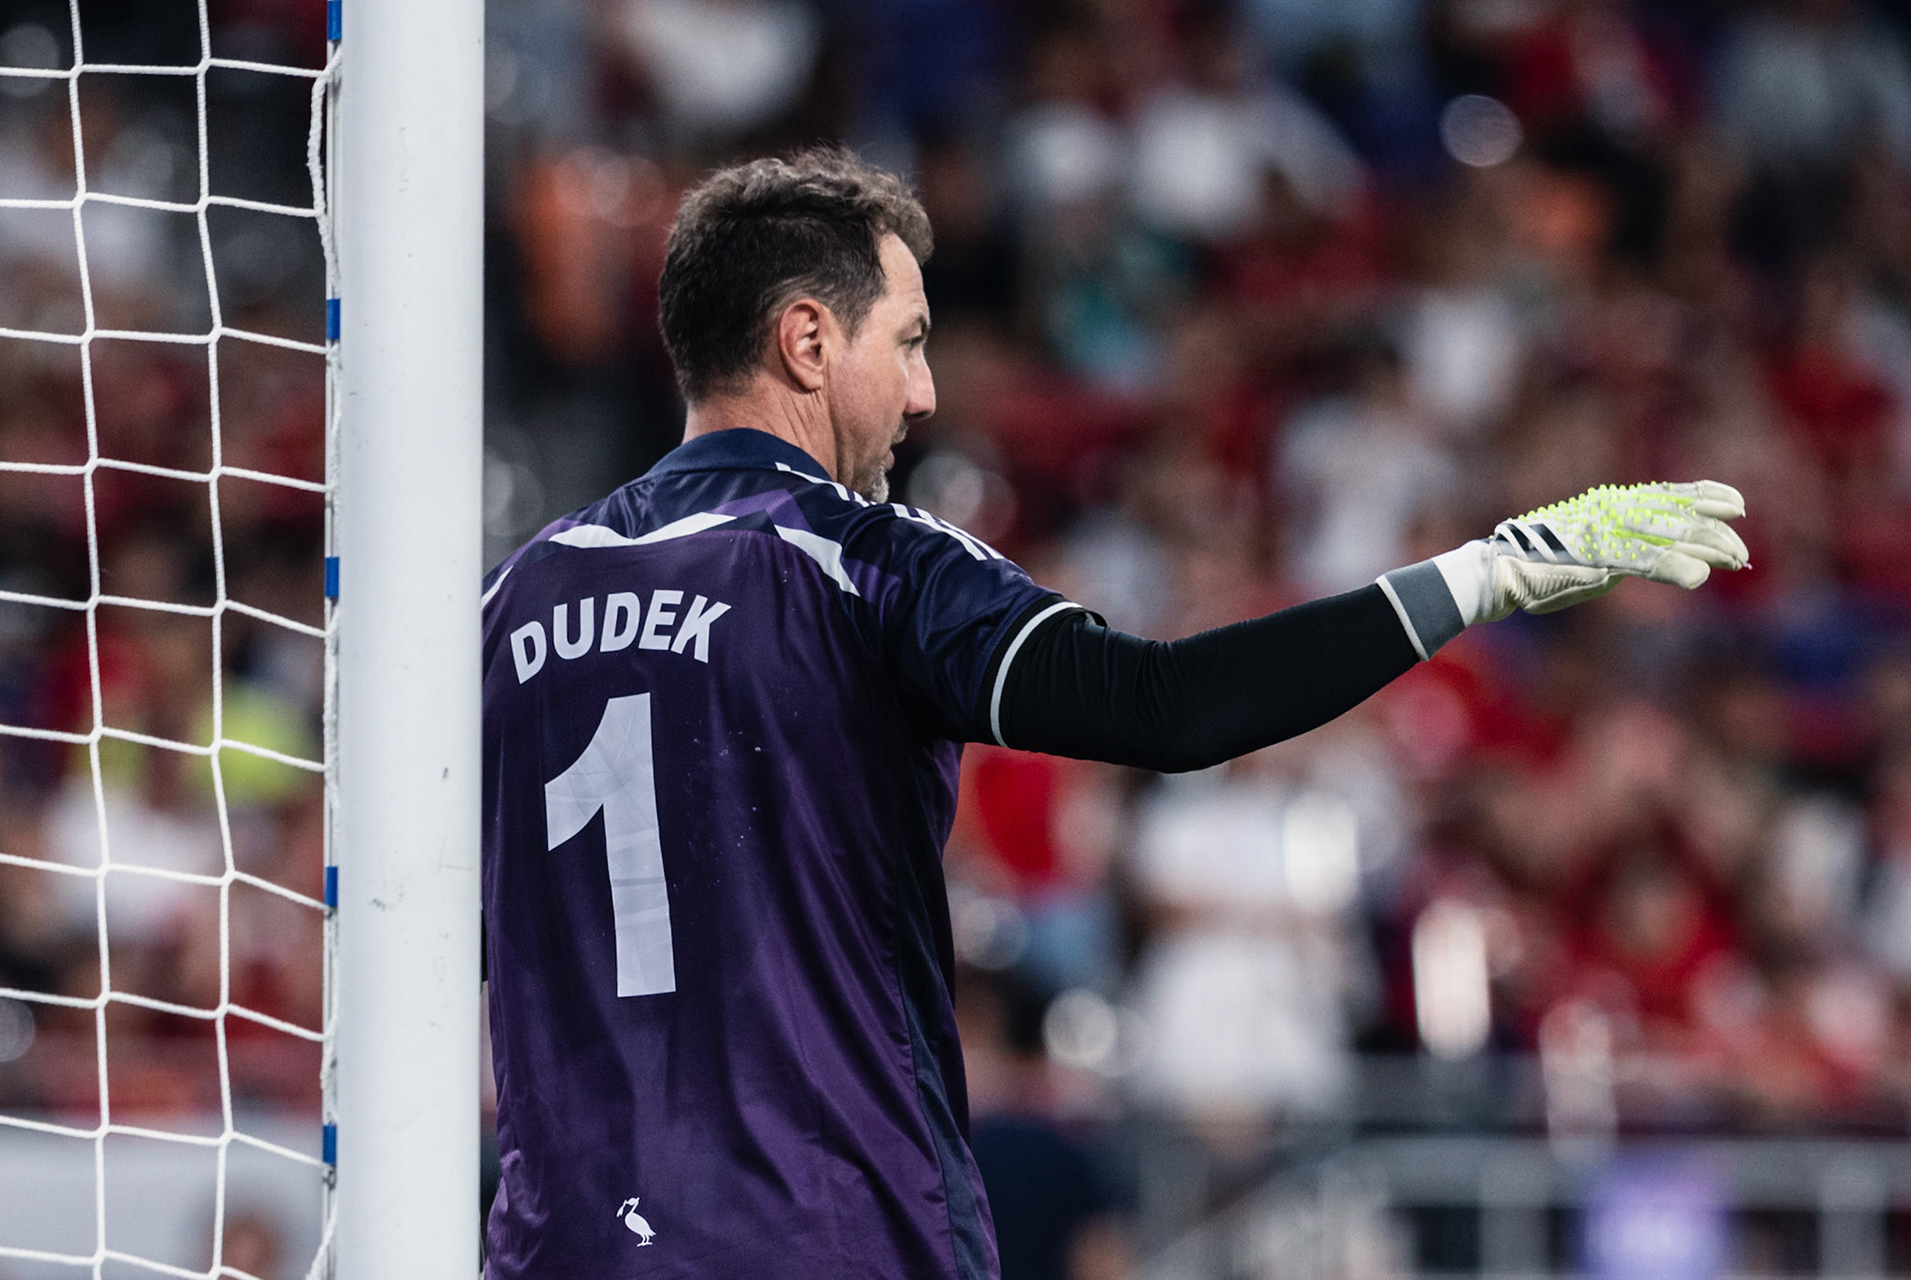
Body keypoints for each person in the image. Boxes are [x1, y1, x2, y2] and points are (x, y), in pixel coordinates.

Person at [478, 147, 1749, 1279]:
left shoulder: (513, 596)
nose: (924, 396)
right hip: (827, 1232)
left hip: (563, 1244)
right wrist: (1489, 570)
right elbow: (1167, 703)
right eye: (909, 340)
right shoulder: (857, 557)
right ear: (809, 342)